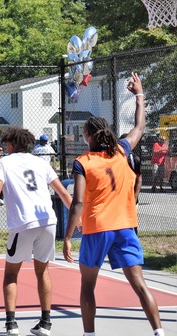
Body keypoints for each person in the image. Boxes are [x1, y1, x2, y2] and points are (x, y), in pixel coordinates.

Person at [63, 73, 165, 336]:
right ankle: (159, 332)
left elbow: (78, 203)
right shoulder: (121, 150)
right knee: (140, 285)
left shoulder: (83, 162)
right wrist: (139, 95)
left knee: (87, 286)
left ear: (86, 135)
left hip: (98, 228)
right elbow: (140, 127)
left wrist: (67, 236)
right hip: (126, 227)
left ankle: (89, 334)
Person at [0, 127, 73, 336]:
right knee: (43, 270)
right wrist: (77, 218)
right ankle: (45, 323)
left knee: (11, 273)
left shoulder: (3, 163)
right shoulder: (40, 162)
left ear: (10, 145)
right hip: (47, 221)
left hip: (23, 223)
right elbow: (62, 192)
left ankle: (11, 324)